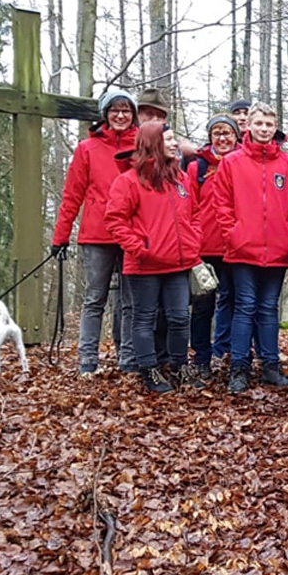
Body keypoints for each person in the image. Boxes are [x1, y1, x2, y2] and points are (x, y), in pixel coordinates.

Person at [213, 102, 288, 393]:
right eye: (259, 124)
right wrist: (234, 234)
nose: (264, 129)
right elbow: (222, 204)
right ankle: (239, 368)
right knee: (245, 306)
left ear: (275, 126)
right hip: (243, 249)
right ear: (248, 126)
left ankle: (270, 366)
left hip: (278, 250)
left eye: (269, 124)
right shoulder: (232, 162)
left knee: (268, 309)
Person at [104, 121, 202, 393]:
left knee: (180, 318)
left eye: (174, 139)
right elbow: (115, 220)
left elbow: (194, 215)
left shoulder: (180, 179)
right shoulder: (128, 181)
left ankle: (180, 366)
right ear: (152, 143)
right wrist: (140, 247)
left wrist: (193, 242)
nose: (174, 144)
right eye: (168, 139)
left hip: (179, 264)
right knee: (144, 318)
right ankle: (150, 370)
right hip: (144, 266)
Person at [51, 89, 138, 377]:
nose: (121, 115)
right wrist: (60, 237)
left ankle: (127, 358)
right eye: (115, 110)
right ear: (105, 114)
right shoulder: (86, 149)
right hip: (96, 235)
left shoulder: (141, 145)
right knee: (94, 299)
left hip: (131, 235)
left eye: (126, 110)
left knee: (129, 301)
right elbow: (72, 195)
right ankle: (87, 360)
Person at [186, 114, 242, 381]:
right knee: (202, 306)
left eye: (227, 133)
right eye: (217, 133)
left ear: (236, 136)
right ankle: (201, 358)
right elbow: (189, 208)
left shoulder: (244, 163)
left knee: (234, 303)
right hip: (204, 248)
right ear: (210, 137)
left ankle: (230, 353)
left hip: (236, 247)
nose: (222, 138)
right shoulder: (197, 168)